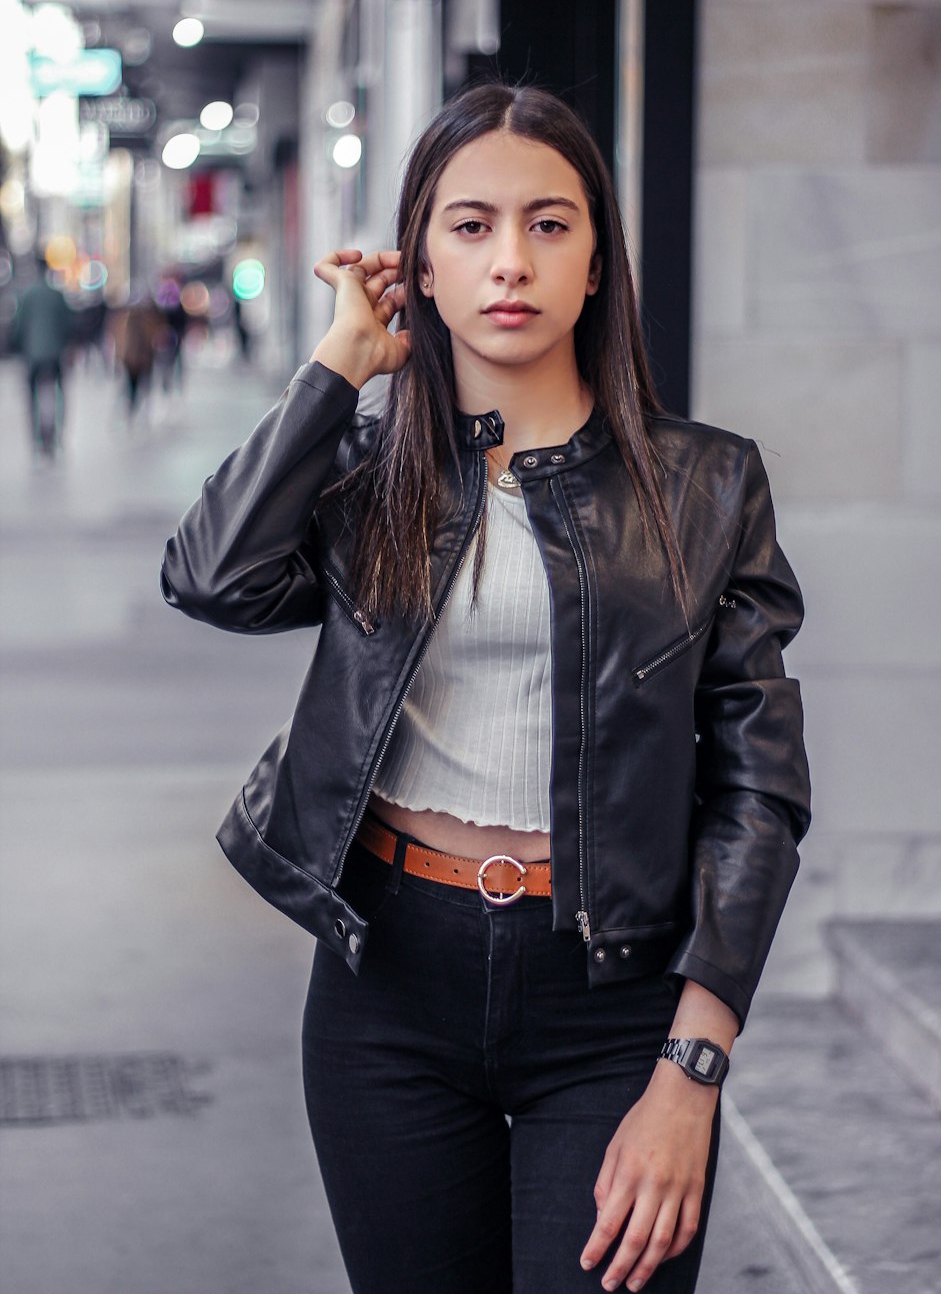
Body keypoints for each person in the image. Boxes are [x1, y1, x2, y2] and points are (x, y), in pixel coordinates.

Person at [161, 83, 810, 1294]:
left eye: (548, 224)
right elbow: (211, 578)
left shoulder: (704, 486)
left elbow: (756, 793)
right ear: (417, 261)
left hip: (612, 999)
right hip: (388, 987)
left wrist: (693, 1074)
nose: (510, 260)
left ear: (597, 262)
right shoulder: (362, 472)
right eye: (469, 227)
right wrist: (337, 365)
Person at [12, 256, 75, 458]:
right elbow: (68, 323)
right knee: (59, 392)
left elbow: (18, 326)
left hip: (33, 354)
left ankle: (36, 438)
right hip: (55, 353)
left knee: (32, 396)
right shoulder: (56, 294)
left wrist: (19, 346)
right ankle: (57, 434)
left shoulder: (27, 294)